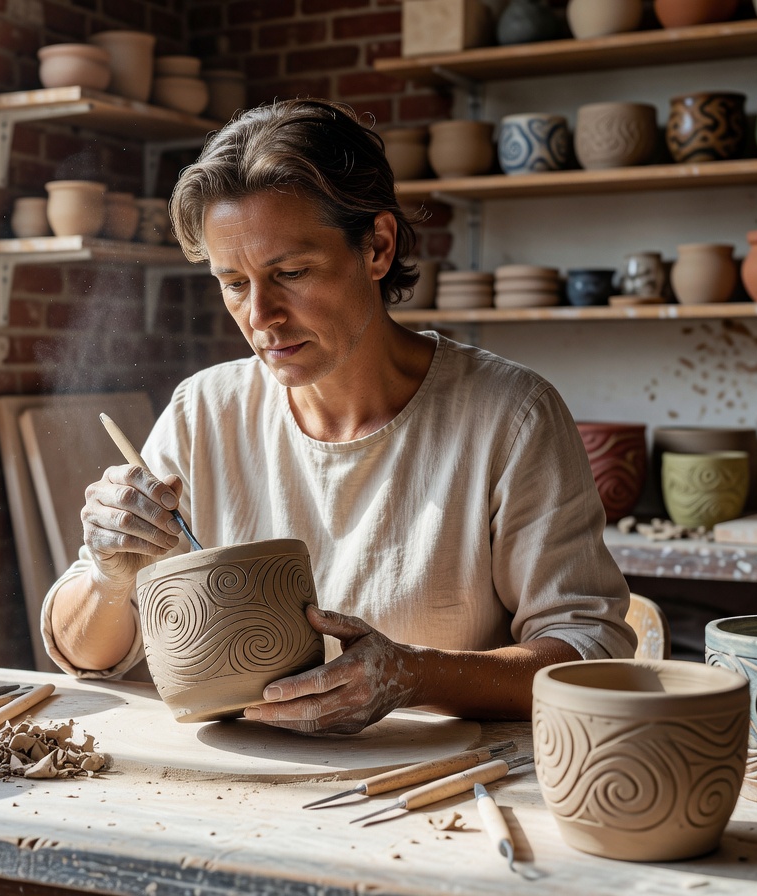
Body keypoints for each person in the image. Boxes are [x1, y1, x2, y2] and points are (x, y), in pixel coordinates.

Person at [41, 98, 636, 735]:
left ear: (377, 247)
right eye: (234, 283)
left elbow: (589, 654)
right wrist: (108, 579)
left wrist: (416, 675)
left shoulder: (508, 416)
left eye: (291, 272)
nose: (261, 316)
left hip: (437, 781)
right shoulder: (203, 411)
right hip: (240, 777)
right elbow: (84, 654)